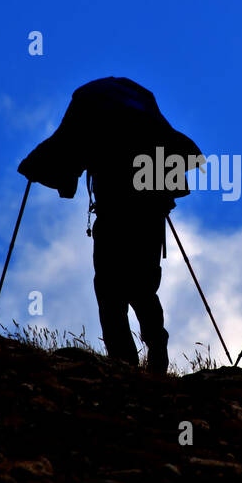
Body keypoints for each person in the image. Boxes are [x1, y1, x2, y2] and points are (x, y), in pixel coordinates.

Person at [17, 77, 199, 376]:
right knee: (142, 284)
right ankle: (156, 346)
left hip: (114, 214)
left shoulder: (91, 116)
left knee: (109, 286)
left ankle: (122, 361)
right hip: (150, 213)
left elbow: (64, 147)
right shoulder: (149, 123)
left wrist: (34, 164)